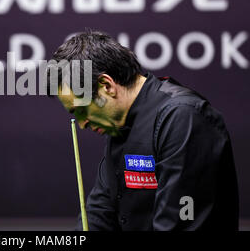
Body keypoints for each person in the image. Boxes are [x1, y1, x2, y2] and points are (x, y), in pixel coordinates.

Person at [46, 30, 239, 231]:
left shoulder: (183, 117)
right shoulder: (119, 124)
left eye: (81, 110)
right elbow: (100, 213)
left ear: (106, 85)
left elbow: (178, 224)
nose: (82, 123)